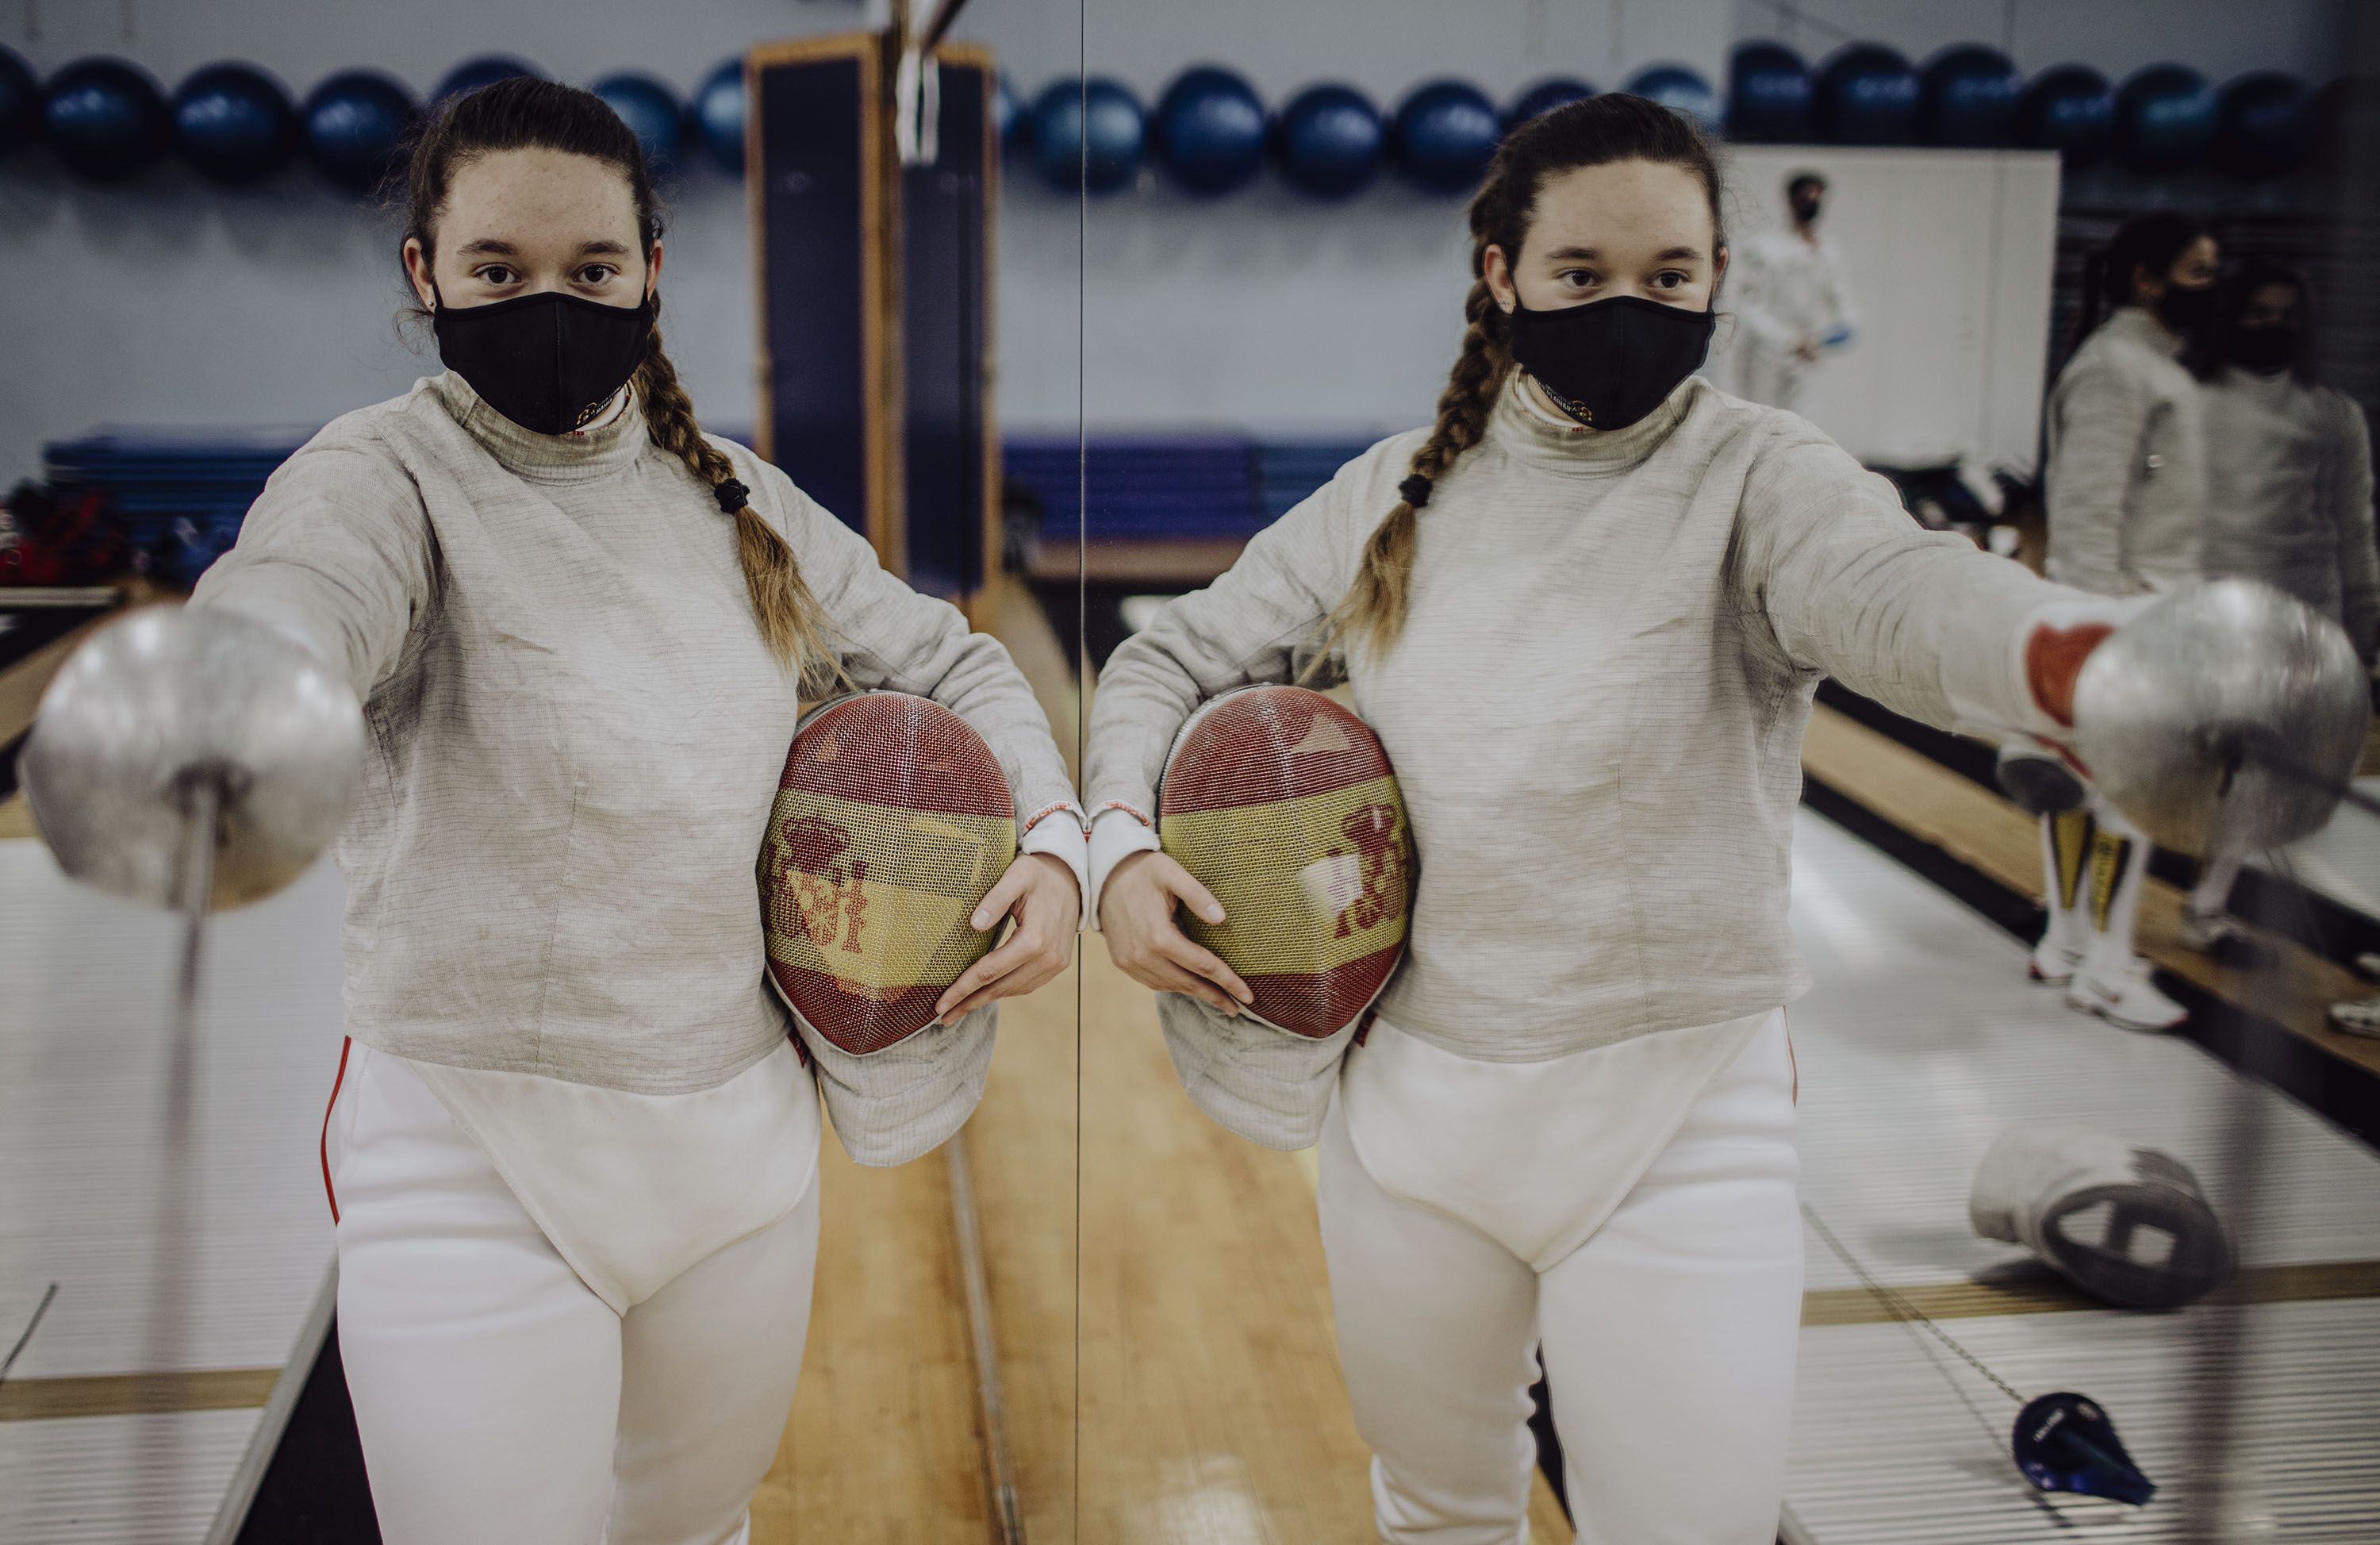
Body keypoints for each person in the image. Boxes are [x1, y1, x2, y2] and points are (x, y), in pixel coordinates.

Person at [1084, 94, 2123, 1544]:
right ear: (1501, 272)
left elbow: (1901, 594)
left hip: (1680, 1117)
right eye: (1582, 275)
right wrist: (1120, 843)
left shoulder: (1762, 479)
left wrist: (2074, 657)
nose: (1629, 309)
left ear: (1714, 282)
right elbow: (1167, 655)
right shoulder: (1394, 492)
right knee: (1441, 1509)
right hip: (1415, 1120)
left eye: (1671, 277)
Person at [178, 80, 1083, 1543]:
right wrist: (244, 685)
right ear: (426, 275)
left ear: (652, 269)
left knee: (698, 1531)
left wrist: (1052, 837)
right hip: (476, 1152)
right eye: (498, 270)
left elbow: (951, 657)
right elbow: (304, 595)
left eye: (592, 270)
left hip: (733, 1152)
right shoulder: (380, 477)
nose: (550, 301)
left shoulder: (735, 498)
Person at [2021, 211, 2217, 1031]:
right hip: (2120, 614)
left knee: (2086, 791)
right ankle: (2102, 971)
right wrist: (2101, 633)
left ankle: (2067, 946)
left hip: (2136, 606)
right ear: (2147, 278)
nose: (2211, 287)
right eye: (2199, 271)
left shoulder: (2146, 364)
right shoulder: (2117, 370)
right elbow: (2087, 510)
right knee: (2124, 800)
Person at [2184, 261, 2380, 998]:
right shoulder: (2189, 401)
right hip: (2209, 612)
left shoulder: (2334, 415)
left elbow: (2356, 530)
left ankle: (2209, 903)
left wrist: (2364, 628)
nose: (2275, 324)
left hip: (2305, 617)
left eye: (2287, 312)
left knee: (2270, 771)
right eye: (2259, 310)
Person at [1729, 169, 1856, 415]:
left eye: (1817, 195)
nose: (1812, 200)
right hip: (1765, 355)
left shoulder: (1828, 252)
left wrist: (1833, 334)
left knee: (1802, 425)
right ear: (1790, 199)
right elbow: (1750, 307)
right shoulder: (1765, 249)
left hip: (1807, 354)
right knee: (1762, 419)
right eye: (1805, 194)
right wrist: (1789, 341)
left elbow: (1842, 300)